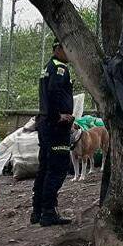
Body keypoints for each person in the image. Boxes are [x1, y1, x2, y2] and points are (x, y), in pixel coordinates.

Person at [31, 40, 75, 226]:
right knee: (58, 167)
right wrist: (59, 116)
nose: (70, 54)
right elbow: (53, 92)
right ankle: (48, 212)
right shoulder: (59, 68)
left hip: (45, 124)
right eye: (68, 49)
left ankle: (38, 211)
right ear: (58, 49)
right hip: (55, 126)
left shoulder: (48, 67)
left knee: (45, 167)